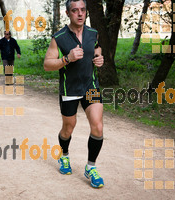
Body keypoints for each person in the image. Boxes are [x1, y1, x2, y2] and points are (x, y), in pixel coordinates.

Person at [44, 0, 105, 188]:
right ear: (67, 13)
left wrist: (99, 58)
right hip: (69, 90)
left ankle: (91, 167)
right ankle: (64, 156)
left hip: (90, 87)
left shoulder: (92, 33)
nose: (80, 14)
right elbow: (47, 65)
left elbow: (97, 50)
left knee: (98, 126)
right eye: (75, 10)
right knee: (68, 128)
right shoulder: (59, 38)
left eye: (83, 10)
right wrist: (67, 58)